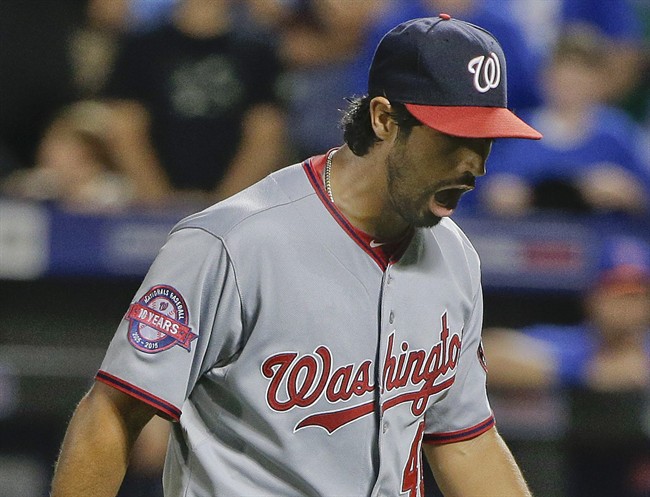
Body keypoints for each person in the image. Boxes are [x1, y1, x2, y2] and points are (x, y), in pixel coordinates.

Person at [50, 14, 542, 496]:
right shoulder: (235, 242)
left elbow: (466, 443)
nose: (475, 162)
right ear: (384, 119)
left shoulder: (455, 256)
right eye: (454, 137)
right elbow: (112, 413)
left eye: (486, 139)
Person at [483, 234, 650, 497]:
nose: (628, 306)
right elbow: (487, 352)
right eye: (617, 292)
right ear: (593, 297)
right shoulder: (574, 345)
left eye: (637, 294)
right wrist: (584, 372)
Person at [102, 0, 287, 203]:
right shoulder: (141, 48)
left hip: (233, 208)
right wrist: (160, 203)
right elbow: (125, 128)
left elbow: (266, 131)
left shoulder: (258, 51)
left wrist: (223, 208)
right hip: (153, 207)